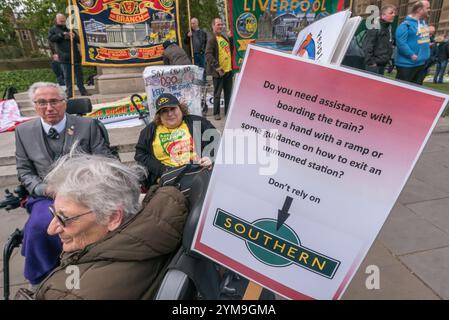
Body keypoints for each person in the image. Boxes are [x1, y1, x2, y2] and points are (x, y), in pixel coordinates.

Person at [35, 152, 188, 299]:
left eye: (64, 218)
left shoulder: (68, 293)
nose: (51, 229)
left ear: (113, 217)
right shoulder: (159, 231)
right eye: (53, 212)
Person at [15, 82, 112, 288]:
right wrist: (44, 189)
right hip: (46, 195)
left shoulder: (88, 126)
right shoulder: (23, 131)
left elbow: (104, 161)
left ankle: (88, 274)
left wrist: (85, 185)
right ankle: (41, 281)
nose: (49, 108)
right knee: (41, 226)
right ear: (34, 105)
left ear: (64, 103)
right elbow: (24, 171)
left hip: (84, 193)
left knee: (87, 224)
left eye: (54, 101)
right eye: (42, 102)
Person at [134, 93, 218, 187]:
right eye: (164, 111)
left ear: (180, 108)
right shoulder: (149, 131)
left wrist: (209, 156)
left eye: (173, 108)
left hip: (199, 173)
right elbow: (140, 154)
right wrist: (163, 169)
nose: (170, 114)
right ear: (159, 115)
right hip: (169, 181)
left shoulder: (197, 122)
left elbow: (216, 139)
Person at [48, 13, 88, 98]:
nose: (62, 22)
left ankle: (83, 91)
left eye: (64, 20)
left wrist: (74, 36)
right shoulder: (53, 29)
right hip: (64, 57)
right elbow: (51, 39)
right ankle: (69, 93)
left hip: (75, 56)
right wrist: (62, 34)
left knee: (79, 75)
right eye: (61, 20)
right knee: (67, 76)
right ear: (57, 20)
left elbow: (79, 41)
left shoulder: (70, 28)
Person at [395, 1, 431, 84]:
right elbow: (401, 43)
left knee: (416, 91)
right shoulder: (405, 25)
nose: (429, 10)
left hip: (421, 63)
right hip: (407, 65)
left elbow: (421, 39)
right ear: (419, 9)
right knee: (402, 92)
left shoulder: (423, 23)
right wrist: (411, 54)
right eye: (427, 8)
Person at [206, 17, 233, 120]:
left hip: (228, 70)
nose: (220, 26)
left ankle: (228, 112)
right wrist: (217, 67)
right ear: (213, 26)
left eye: (221, 24)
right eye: (218, 24)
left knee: (228, 93)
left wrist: (230, 38)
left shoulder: (224, 37)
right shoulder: (212, 39)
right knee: (217, 94)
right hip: (219, 72)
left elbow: (230, 50)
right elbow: (208, 55)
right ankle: (216, 113)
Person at [363, 5, 396, 75]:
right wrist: (371, 63)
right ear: (383, 15)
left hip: (382, 65)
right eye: (391, 13)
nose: (394, 15)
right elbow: (368, 46)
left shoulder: (388, 27)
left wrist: (389, 61)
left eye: (394, 13)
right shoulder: (375, 27)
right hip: (374, 66)